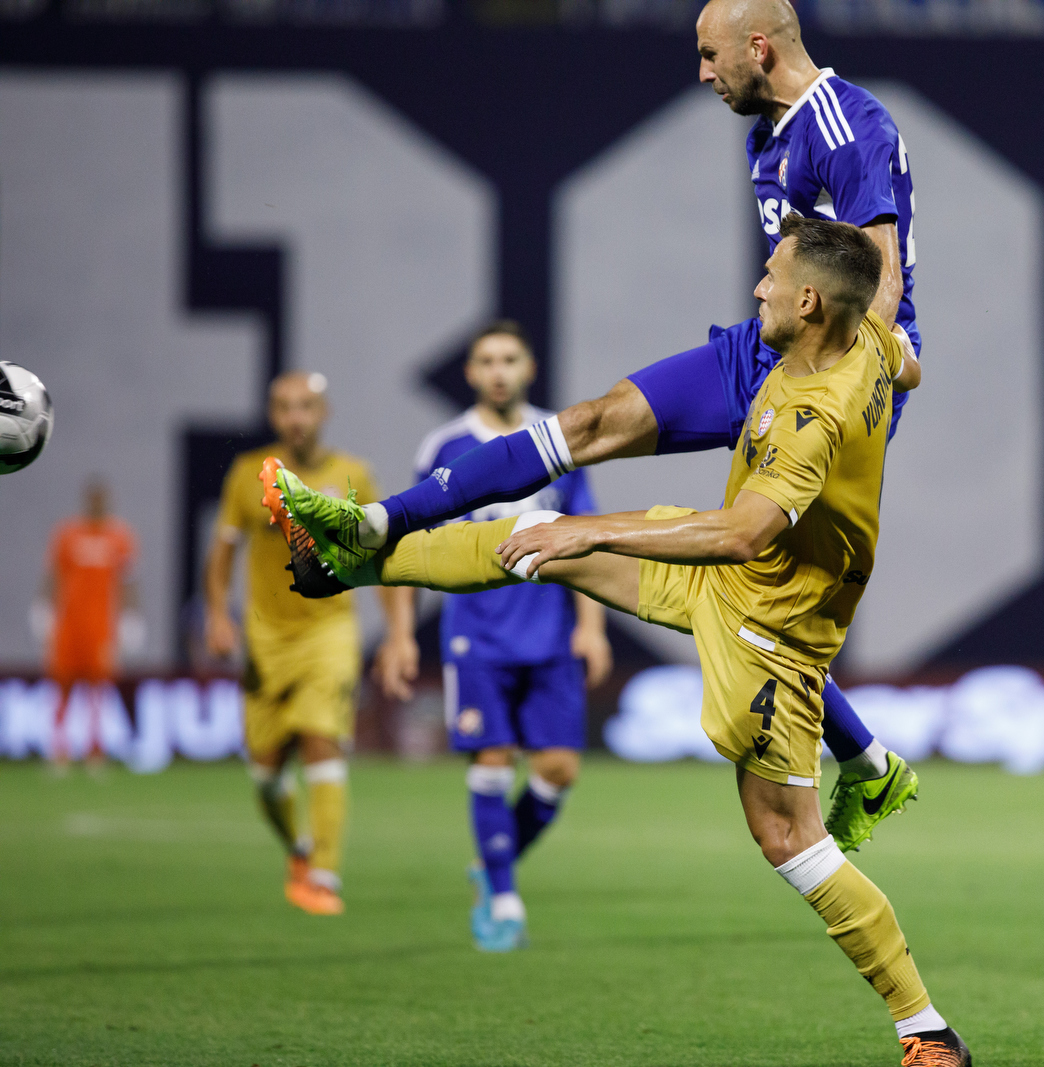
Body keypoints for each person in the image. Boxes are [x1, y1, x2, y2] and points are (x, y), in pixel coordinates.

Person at [265, 217, 969, 1065]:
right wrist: (575, 534)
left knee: (788, 838)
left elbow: (743, 531)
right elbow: (907, 359)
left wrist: (590, 531)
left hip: (770, 630)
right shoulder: (870, 341)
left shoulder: (814, 416)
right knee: (535, 539)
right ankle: (350, 560)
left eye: (773, 277)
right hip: (737, 579)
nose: (758, 289)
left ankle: (925, 1029)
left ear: (811, 301)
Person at [298, 0, 923, 852]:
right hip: (766, 356)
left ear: (760, 47)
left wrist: (841, 394)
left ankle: (868, 769)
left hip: (836, 382)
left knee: (754, 604)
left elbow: (878, 284)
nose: (702, 75)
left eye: (710, 57)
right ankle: (381, 519)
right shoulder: (768, 136)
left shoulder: (847, 126)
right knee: (590, 421)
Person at [377, 320, 613, 952]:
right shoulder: (445, 446)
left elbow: (589, 534)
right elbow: (399, 539)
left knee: (559, 770)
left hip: (549, 633)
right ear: (471, 373)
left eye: (510, 357)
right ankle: (503, 897)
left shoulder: (560, 440)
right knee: (491, 758)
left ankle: (493, 858)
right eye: (487, 360)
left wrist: (592, 627)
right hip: (475, 637)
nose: (499, 370)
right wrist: (399, 635)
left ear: (528, 367)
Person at [204, 371, 416, 917]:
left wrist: (398, 634)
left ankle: (324, 873)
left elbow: (383, 559)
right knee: (266, 770)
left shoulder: (353, 476)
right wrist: (216, 615)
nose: (295, 417)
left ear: (324, 413)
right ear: (274, 416)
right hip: (267, 637)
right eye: (284, 408)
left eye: (306, 407)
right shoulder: (249, 473)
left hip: (329, 631)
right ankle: (298, 849)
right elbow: (223, 553)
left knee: (322, 740)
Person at [34, 476, 141, 772]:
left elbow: (129, 582)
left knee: (98, 692)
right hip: (68, 624)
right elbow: (53, 575)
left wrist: (130, 617)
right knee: (62, 688)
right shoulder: (68, 534)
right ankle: (59, 752)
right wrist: (43, 608)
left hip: (100, 626)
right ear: (86, 501)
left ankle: (95, 751)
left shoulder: (119, 537)